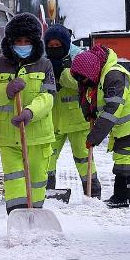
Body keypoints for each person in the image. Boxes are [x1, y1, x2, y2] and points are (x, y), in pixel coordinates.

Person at [0, 13, 56, 214]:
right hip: (8, 138)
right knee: (14, 180)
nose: (22, 45)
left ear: (35, 42)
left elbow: (48, 98)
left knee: (38, 181)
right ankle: (16, 216)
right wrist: (5, 90)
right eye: (18, 41)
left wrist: (30, 112)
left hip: (39, 137)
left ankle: (36, 214)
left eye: (27, 41)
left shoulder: (45, 65)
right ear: (10, 42)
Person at [71, 45, 130, 208]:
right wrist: (89, 113)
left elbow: (111, 111)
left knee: (122, 156)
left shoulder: (113, 76)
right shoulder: (97, 74)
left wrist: (94, 138)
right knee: (129, 156)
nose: (83, 82)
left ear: (91, 71)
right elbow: (88, 94)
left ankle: (122, 197)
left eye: (84, 78)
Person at [43, 24, 101, 198]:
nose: (54, 49)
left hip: (78, 120)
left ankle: (92, 191)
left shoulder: (78, 59)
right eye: (50, 46)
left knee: (83, 158)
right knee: (47, 158)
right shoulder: (43, 62)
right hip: (53, 121)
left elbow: (83, 83)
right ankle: (46, 191)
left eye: (57, 45)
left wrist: (62, 74)